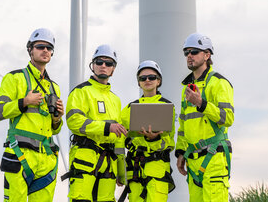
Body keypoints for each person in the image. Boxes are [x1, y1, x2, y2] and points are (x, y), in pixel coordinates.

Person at [0, 28, 64, 202]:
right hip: (20, 155)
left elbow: (54, 130)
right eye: (40, 46)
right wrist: (24, 102)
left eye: (49, 48)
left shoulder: (54, 87)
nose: (45, 50)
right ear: (30, 49)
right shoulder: (14, 78)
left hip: (46, 160)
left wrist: (57, 119)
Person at [63, 44, 127, 202]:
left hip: (108, 164)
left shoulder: (115, 100)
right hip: (85, 157)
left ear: (113, 68)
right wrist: (106, 127)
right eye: (99, 62)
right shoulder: (81, 91)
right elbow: (74, 121)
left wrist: (121, 172)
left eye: (108, 63)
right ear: (93, 66)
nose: (103, 66)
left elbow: (119, 139)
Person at [175, 33, 234, 202]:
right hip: (193, 162)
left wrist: (201, 103)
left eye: (194, 51)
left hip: (214, 159)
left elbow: (227, 118)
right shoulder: (187, 88)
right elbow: (183, 125)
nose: (189, 56)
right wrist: (180, 152)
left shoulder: (219, 83)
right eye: (186, 52)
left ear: (207, 55)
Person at [120, 60, 176, 202]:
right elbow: (119, 139)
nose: (147, 80)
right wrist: (120, 172)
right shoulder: (128, 109)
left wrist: (154, 139)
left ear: (159, 81)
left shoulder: (167, 107)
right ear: (139, 82)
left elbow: (169, 142)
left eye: (151, 77)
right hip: (135, 171)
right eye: (142, 78)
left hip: (157, 170)